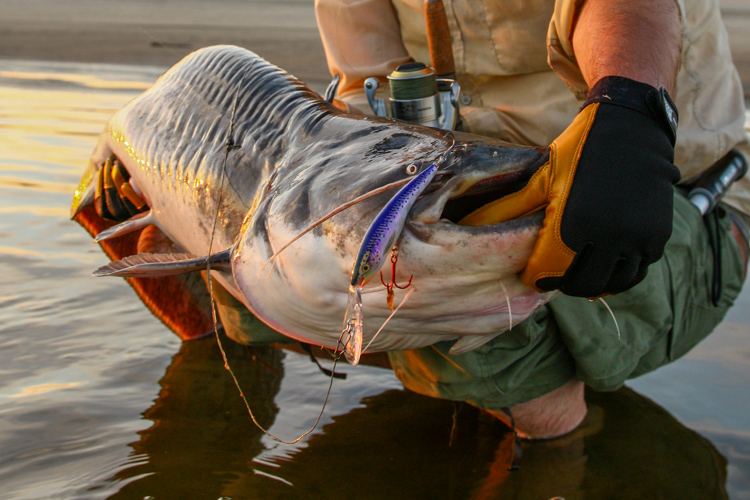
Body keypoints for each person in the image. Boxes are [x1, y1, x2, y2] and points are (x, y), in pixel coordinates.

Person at [315, 0, 750, 437]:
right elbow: (364, 88)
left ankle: (558, 449)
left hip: (668, 189)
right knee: (269, 276)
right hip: (472, 179)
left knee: (462, 317)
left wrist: (631, 111)